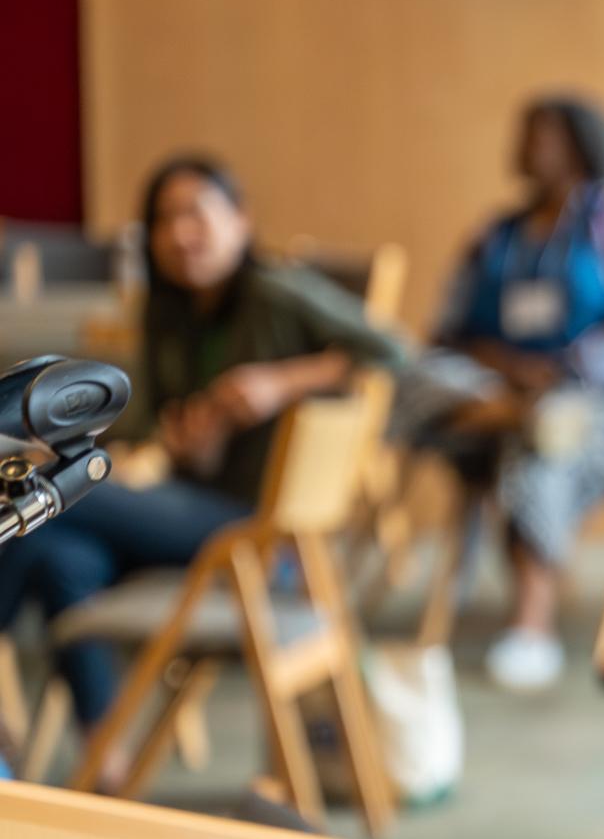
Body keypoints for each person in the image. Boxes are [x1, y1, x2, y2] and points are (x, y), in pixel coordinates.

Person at [0, 155, 407, 760]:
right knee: (56, 550)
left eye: (196, 214)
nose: (180, 233)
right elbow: (151, 428)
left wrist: (283, 381)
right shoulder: (168, 313)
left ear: (240, 221)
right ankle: (105, 760)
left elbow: (394, 353)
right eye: (163, 220)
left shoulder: (278, 292)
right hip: (187, 507)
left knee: (44, 496)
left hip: (254, 530)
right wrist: (187, 445)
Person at [420, 96, 604, 691]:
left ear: (581, 144)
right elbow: (447, 327)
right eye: (524, 132)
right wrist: (500, 366)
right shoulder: (496, 236)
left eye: (542, 134)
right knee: (422, 394)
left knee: (542, 437)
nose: (527, 145)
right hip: (500, 390)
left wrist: (561, 370)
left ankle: (532, 623)